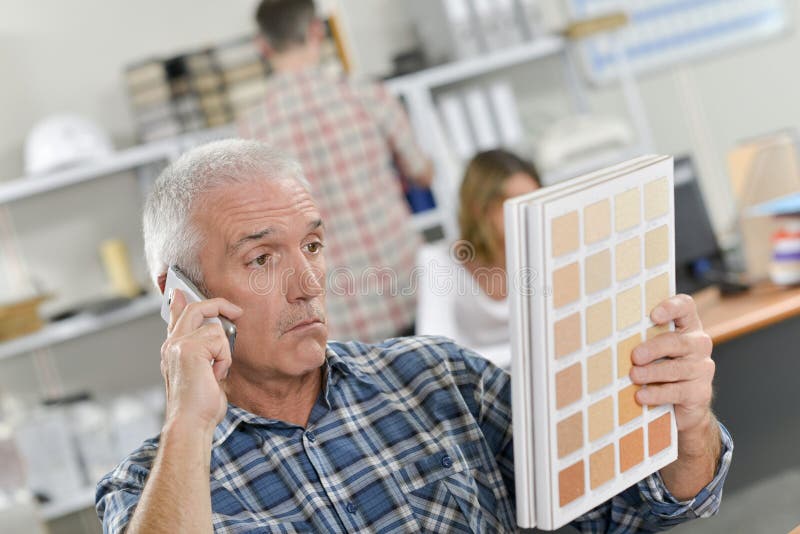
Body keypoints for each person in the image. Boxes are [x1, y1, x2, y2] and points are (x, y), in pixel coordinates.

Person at [96, 140, 731, 533]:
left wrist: (686, 424)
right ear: (180, 297)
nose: (307, 283)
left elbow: (636, 509)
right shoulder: (146, 487)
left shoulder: (440, 379)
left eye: (313, 246)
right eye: (262, 259)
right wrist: (188, 425)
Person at [237, 0, 433, 342]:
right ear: (317, 30)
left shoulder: (251, 132)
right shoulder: (368, 96)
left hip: (336, 313)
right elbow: (423, 173)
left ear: (262, 46)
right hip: (409, 289)